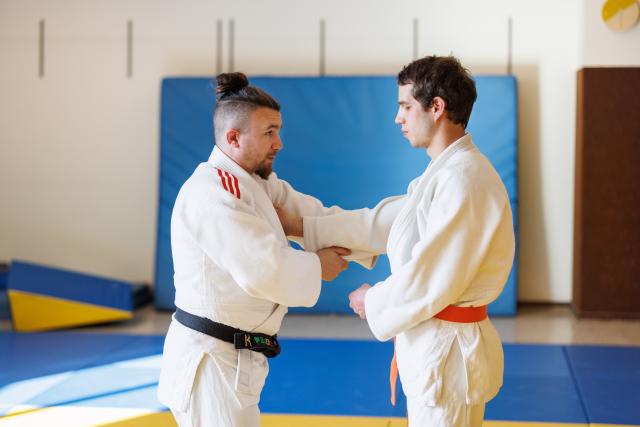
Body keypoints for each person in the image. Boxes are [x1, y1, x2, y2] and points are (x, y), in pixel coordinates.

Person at [278, 55, 516, 426]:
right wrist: (302, 227)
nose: (398, 117)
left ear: (436, 107)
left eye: (405, 106)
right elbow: (383, 224)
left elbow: (430, 278)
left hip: (448, 355)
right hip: (437, 350)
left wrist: (371, 299)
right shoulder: (445, 174)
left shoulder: (463, 180)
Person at [157, 72, 369, 426]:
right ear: (233, 137)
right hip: (210, 363)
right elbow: (264, 270)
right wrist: (318, 265)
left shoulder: (255, 184)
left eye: (278, 130)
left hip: (234, 358)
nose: (280, 143)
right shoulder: (214, 192)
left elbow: (315, 216)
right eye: (269, 132)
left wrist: (380, 238)